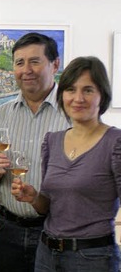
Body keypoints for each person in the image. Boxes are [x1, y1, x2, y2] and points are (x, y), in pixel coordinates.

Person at [11, 56, 120, 271]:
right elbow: (48, 206)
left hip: (92, 258)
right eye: (70, 89)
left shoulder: (115, 142)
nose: (78, 98)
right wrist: (33, 197)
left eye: (88, 90)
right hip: (46, 254)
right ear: (62, 95)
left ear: (102, 95)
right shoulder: (52, 140)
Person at [0, 32, 71, 272]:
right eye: (19, 63)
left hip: (58, 230)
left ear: (55, 64)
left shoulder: (74, 115)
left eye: (35, 61)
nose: (26, 69)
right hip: (7, 230)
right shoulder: (1, 115)